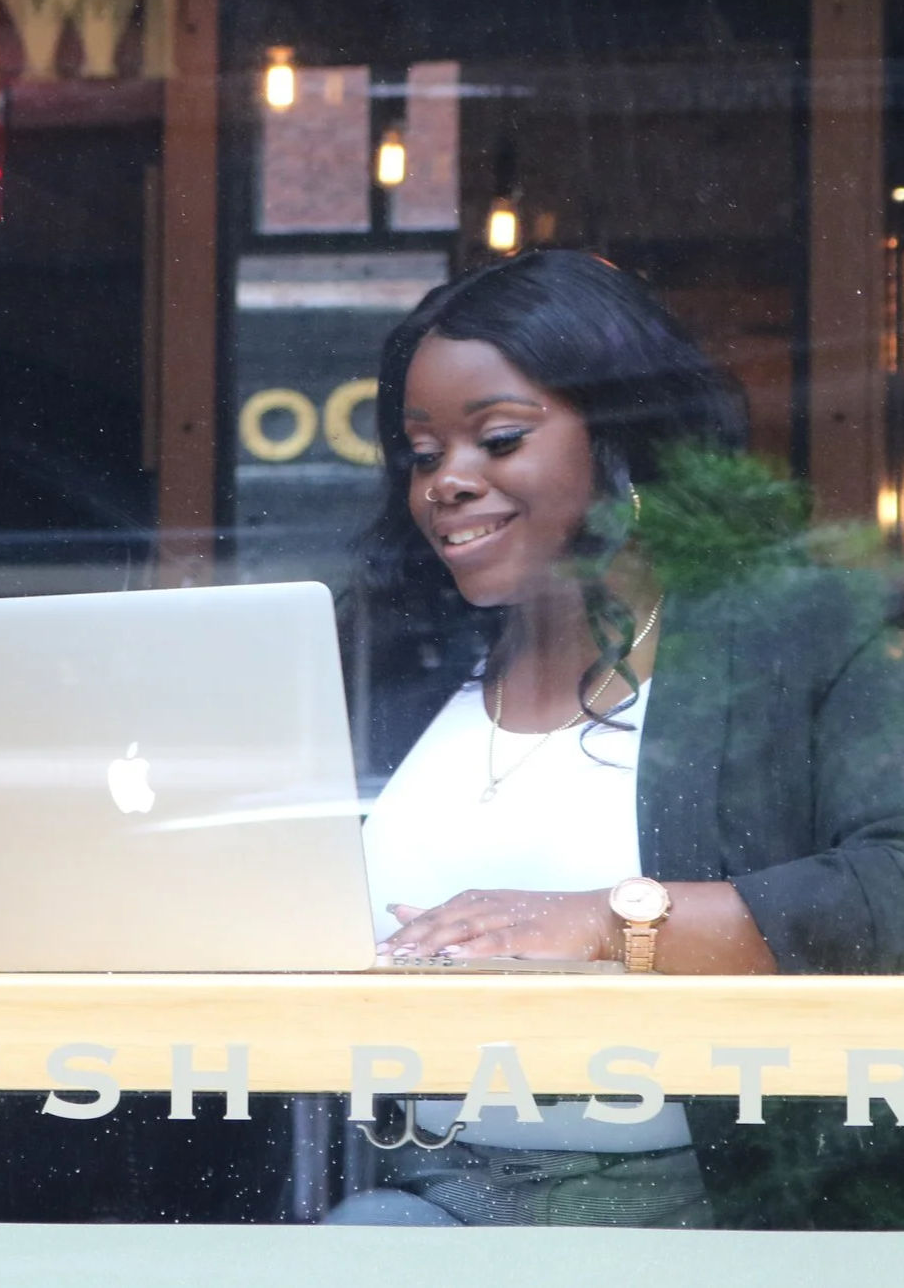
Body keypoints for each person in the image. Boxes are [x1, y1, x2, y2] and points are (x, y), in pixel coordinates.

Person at [328, 249, 904, 1229]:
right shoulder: (392, 662)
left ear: (622, 436)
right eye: (423, 452)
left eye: (497, 437)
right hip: (425, 1194)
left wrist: (610, 920)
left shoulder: (787, 638)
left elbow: (890, 884)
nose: (446, 483)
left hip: (721, 1205)